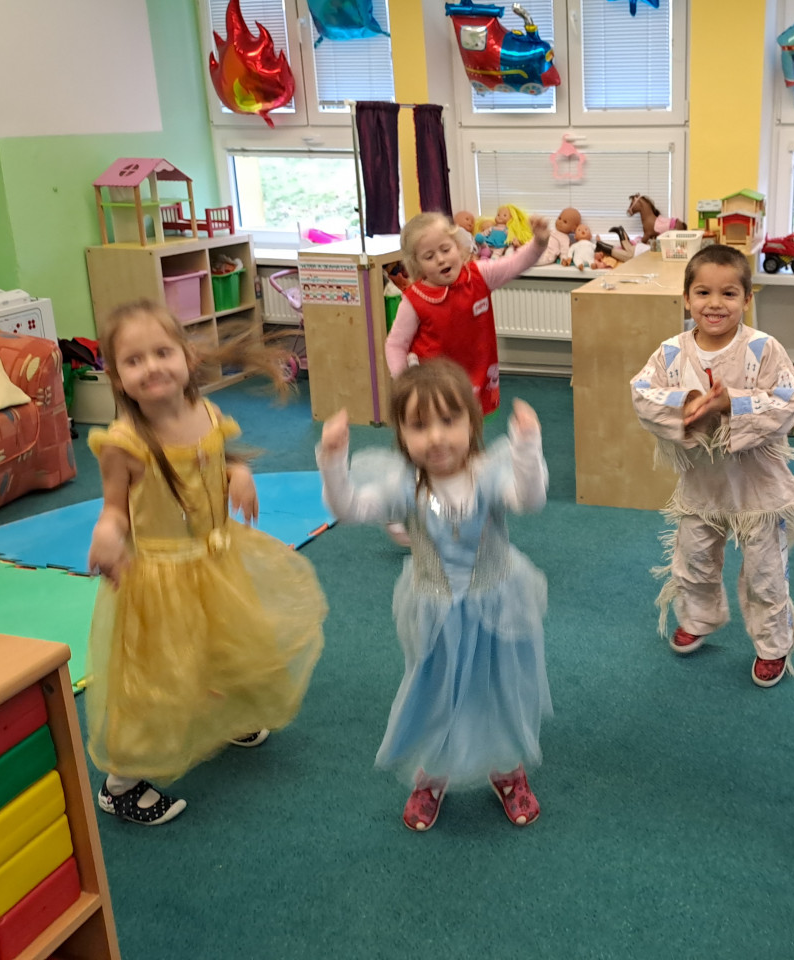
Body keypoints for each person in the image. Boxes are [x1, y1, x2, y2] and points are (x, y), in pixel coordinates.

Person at [86, 300, 327, 825]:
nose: (151, 367)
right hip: (160, 578)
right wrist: (106, 536)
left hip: (214, 561)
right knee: (154, 677)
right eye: (133, 360)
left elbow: (218, 458)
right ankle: (120, 782)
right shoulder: (124, 443)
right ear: (118, 377)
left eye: (162, 352)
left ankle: (229, 716)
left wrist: (237, 474)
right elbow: (114, 509)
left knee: (226, 640)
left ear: (187, 357)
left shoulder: (207, 413)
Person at [317, 360, 550, 832]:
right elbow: (350, 509)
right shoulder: (405, 484)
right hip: (437, 611)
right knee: (436, 690)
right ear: (401, 434)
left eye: (449, 420)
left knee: (497, 687)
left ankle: (506, 768)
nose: (437, 437)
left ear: (471, 422)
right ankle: (433, 772)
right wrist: (333, 462)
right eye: (419, 425)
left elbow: (529, 500)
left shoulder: (487, 473)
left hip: (496, 604)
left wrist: (527, 448)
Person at [632, 244, 794, 687]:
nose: (715, 304)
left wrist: (731, 403)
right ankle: (699, 617)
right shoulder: (672, 352)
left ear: (747, 298)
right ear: (686, 299)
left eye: (729, 293)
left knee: (765, 573)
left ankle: (773, 644)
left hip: (758, 488)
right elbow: (642, 393)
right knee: (694, 559)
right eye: (703, 293)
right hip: (702, 485)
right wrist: (688, 403)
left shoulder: (763, 348)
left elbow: (786, 403)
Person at [385, 211, 548, 415]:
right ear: (417, 264)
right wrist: (405, 383)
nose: (441, 259)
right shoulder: (414, 299)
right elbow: (395, 344)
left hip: (476, 381)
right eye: (429, 256)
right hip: (435, 388)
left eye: (446, 249)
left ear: (458, 246)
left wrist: (539, 243)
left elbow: (515, 263)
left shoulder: (479, 275)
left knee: (471, 427)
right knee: (445, 428)